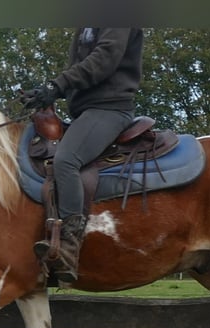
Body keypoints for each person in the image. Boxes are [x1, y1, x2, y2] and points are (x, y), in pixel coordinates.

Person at [21, 28, 144, 282]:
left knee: (66, 160)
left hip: (109, 109)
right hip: (85, 112)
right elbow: (80, 71)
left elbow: (104, 59)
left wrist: (56, 86)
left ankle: (68, 246)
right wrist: (47, 94)